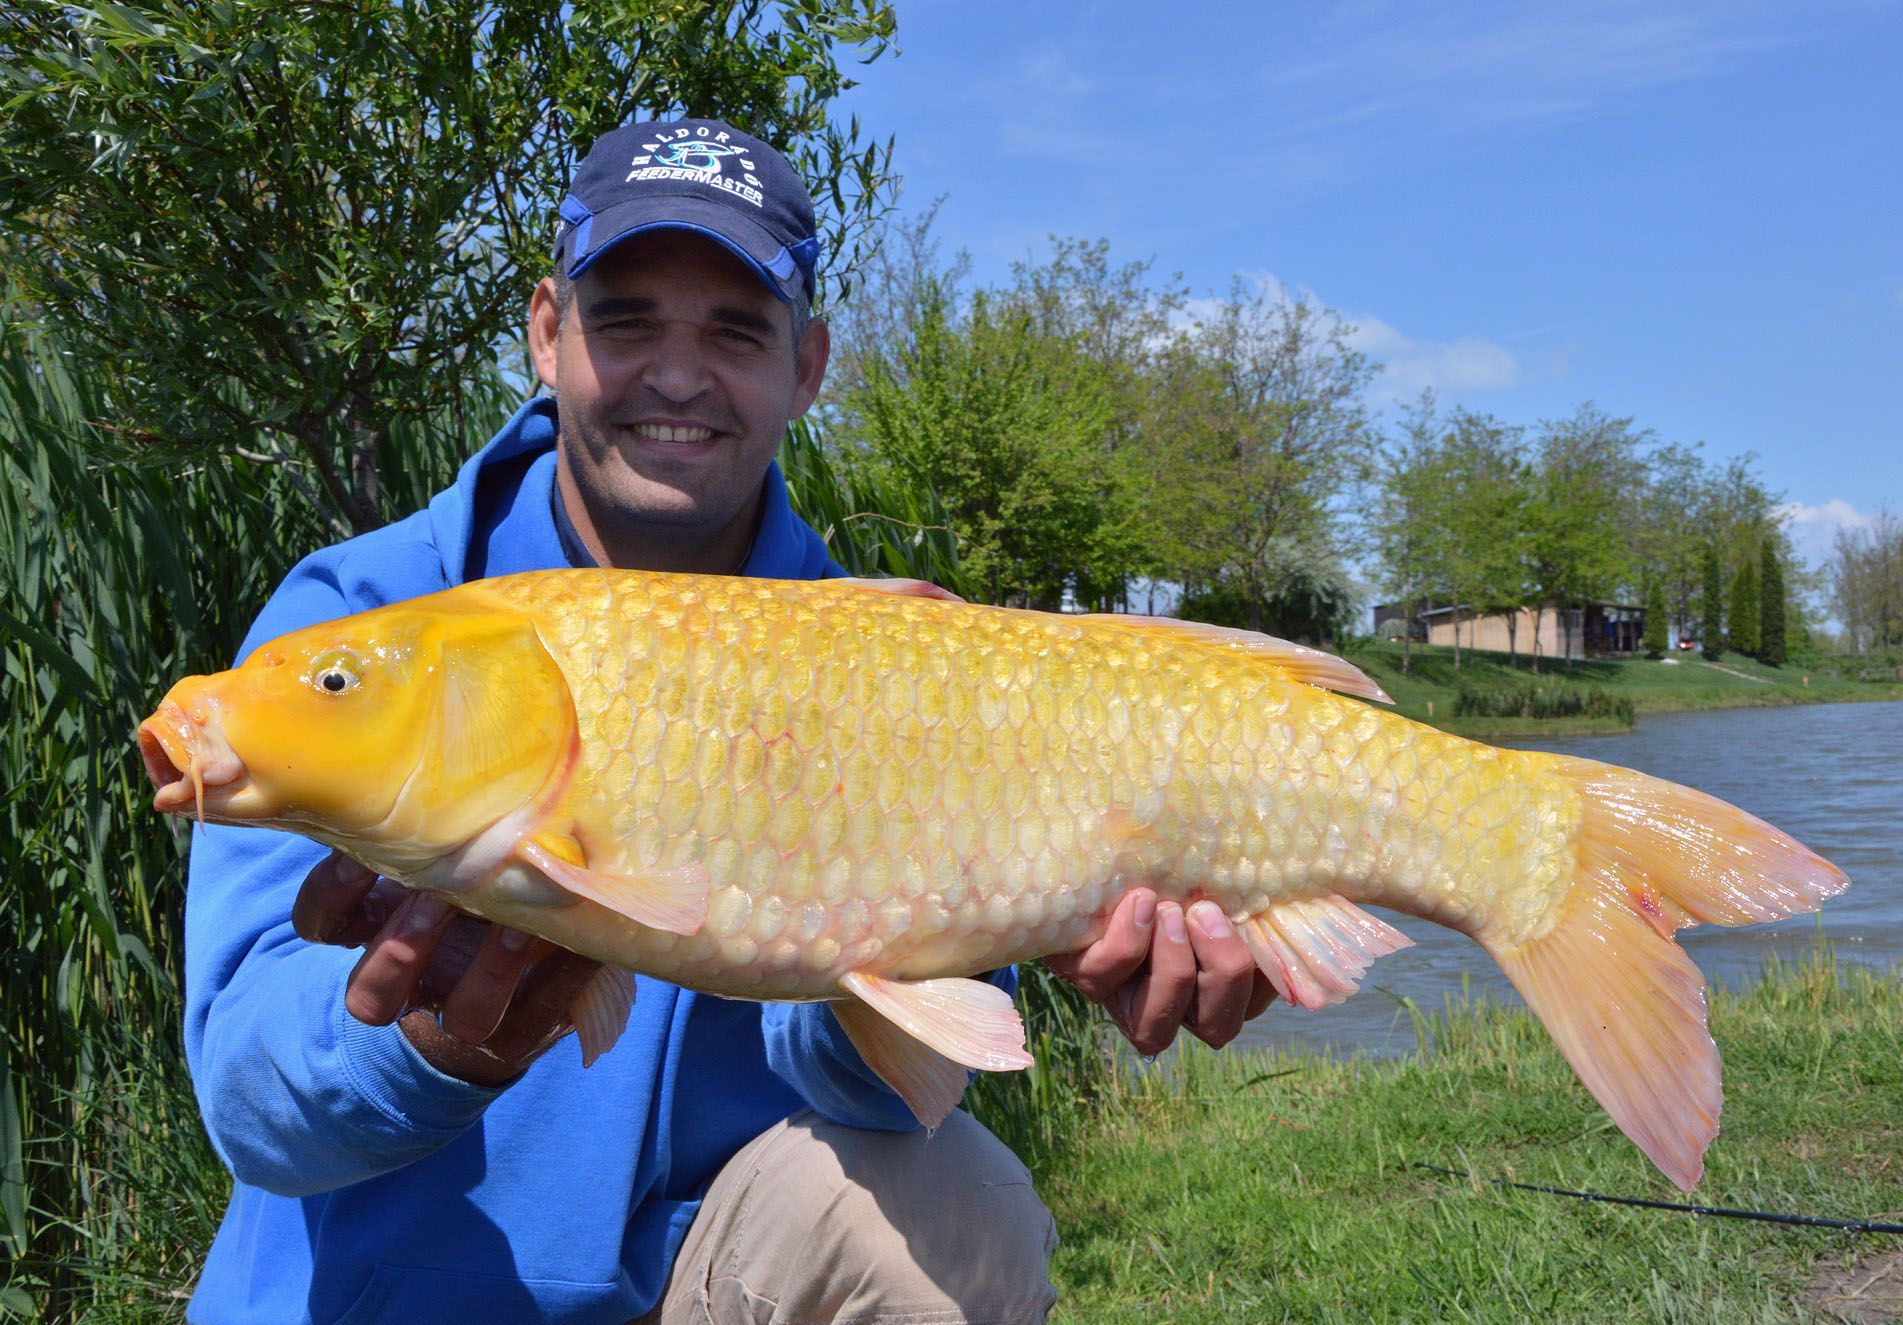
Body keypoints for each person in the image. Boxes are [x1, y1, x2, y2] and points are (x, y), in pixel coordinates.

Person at [182, 118, 1278, 1325]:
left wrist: (999, 936)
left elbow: (873, 1092)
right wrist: (434, 1043)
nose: (678, 374)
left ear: (807, 366)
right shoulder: (372, 622)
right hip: (374, 1305)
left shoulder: (896, 665)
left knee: (958, 1197)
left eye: (735, 332)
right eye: (629, 319)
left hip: (699, 1292)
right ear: (548, 332)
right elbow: (245, 1098)